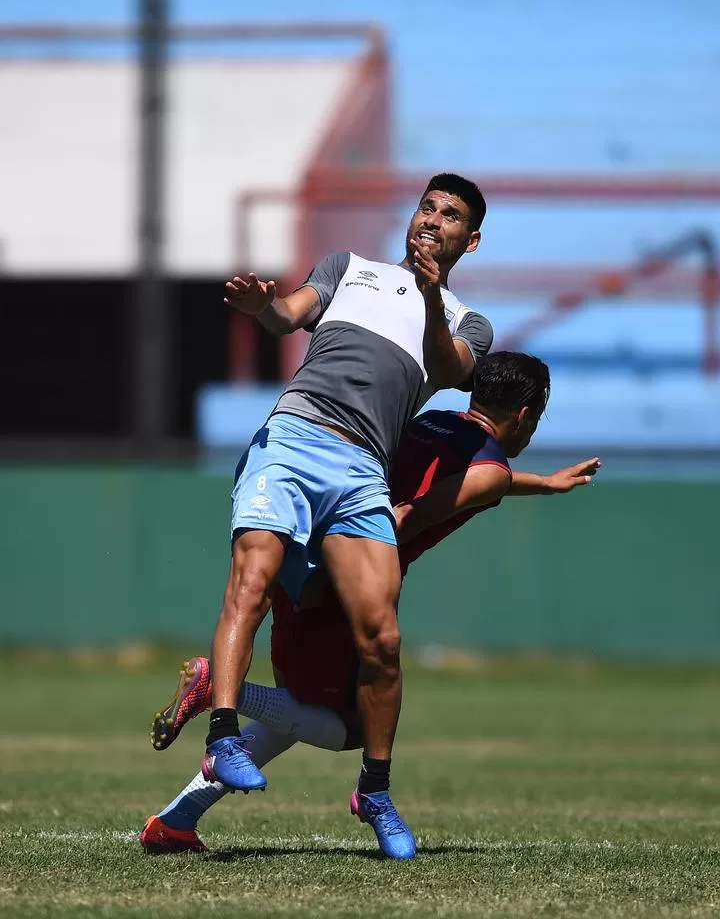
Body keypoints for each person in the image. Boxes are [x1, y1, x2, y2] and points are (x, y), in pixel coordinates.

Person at [140, 352, 600, 856]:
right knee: (349, 729)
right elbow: (407, 517)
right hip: (350, 593)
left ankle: (176, 822)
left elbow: (482, 481)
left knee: (298, 712)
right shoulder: (489, 469)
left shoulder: (430, 423)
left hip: (313, 569)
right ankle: (219, 690)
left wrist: (544, 483)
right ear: (526, 415)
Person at [204, 173, 493, 860]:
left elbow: (448, 367)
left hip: (363, 466)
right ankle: (221, 737)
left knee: (383, 641)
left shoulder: (466, 319)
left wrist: (426, 296)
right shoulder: (348, 269)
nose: (433, 219)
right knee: (251, 584)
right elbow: (288, 313)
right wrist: (262, 307)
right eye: (427, 206)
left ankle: (375, 789)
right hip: (294, 439)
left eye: (450, 215)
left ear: (469, 239)